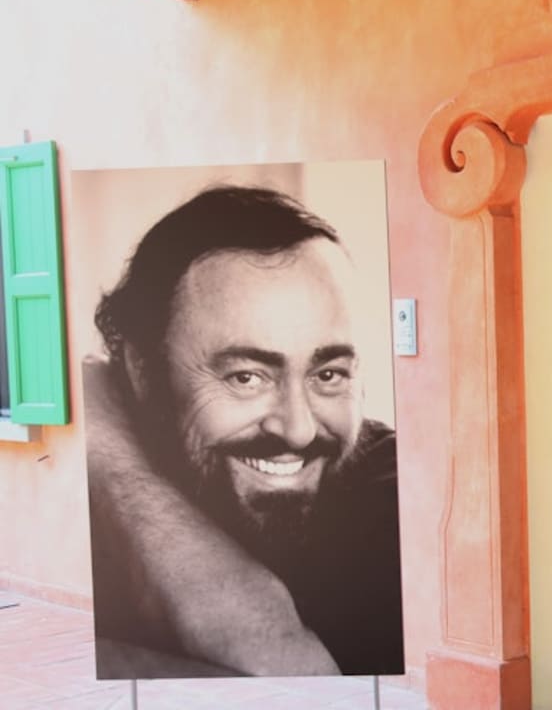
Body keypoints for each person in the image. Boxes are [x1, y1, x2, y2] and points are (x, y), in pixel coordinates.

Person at [84, 185, 404, 679]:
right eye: (246, 378)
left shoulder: (397, 496)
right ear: (142, 370)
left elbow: (295, 679)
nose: (298, 430)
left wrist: (105, 446)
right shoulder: (66, 516)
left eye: (327, 375)